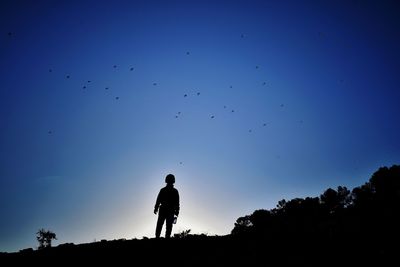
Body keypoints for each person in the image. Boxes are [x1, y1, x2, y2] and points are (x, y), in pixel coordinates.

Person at [154, 174, 180, 238]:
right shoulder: (173, 191)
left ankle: (161, 237)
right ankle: (160, 237)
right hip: (167, 209)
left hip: (168, 210)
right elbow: (158, 200)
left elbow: (177, 203)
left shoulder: (167, 190)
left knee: (165, 225)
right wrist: (177, 212)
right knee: (163, 225)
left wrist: (156, 208)